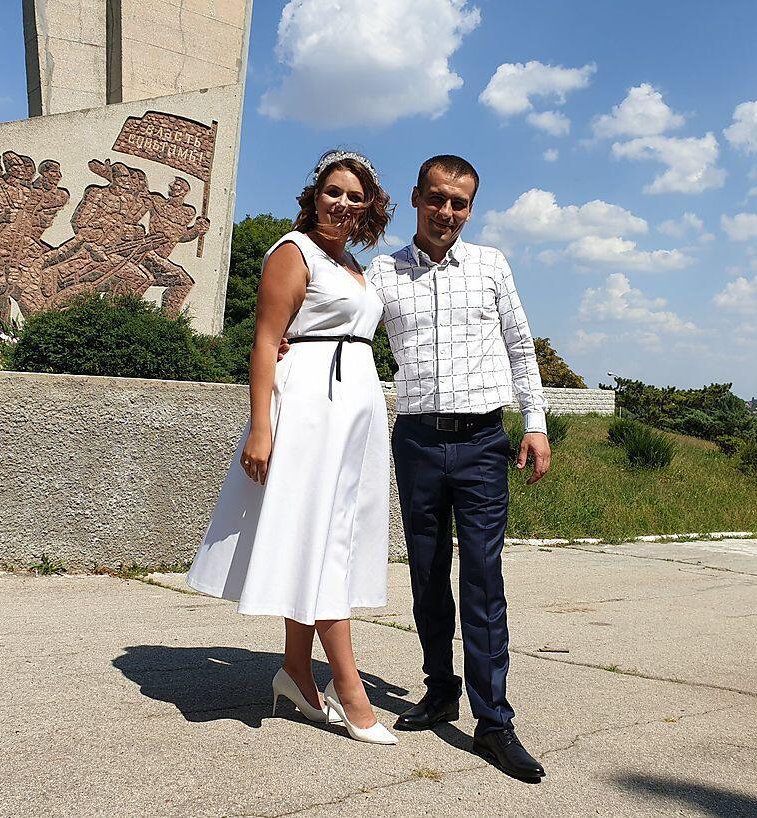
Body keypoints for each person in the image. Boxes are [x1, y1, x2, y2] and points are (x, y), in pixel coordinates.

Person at [186, 150, 397, 745]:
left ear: (369, 207)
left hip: (352, 411)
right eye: (333, 191)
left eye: (355, 196)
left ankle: (296, 672)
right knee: (324, 543)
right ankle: (350, 693)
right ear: (314, 195)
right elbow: (265, 341)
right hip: (309, 409)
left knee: (326, 536)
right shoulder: (293, 251)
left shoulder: (351, 263)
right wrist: (261, 427)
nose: (342, 203)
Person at [366, 155, 551, 780]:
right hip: (417, 442)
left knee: (482, 578)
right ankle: (440, 689)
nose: (447, 212)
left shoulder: (491, 265)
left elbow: (520, 346)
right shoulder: (383, 273)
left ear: (470, 208)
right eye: (437, 198)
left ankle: (493, 721)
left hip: (482, 443)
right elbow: (345, 331)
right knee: (425, 574)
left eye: (460, 203)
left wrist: (535, 424)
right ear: (417, 197)